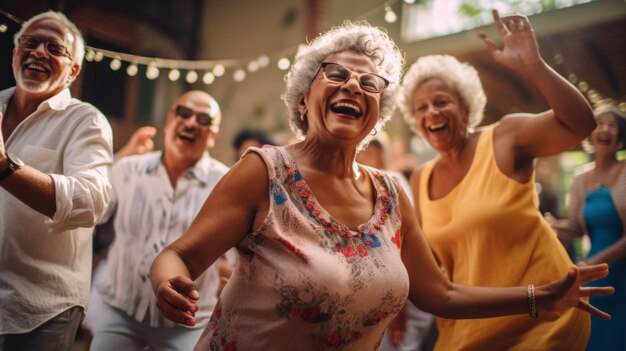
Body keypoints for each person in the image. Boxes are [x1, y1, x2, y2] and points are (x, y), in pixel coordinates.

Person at [150, 20, 612, 351]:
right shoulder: (265, 173)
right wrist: (169, 281)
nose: (353, 85)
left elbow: (441, 295)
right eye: (336, 74)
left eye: (369, 82)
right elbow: (180, 255)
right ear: (304, 97)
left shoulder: (391, 194)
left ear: (377, 113)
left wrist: (540, 296)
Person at [398, 10, 599, 350]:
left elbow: (580, 125)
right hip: (470, 324)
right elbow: (429, 264)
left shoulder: (505, 137)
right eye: (421, 108)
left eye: (441, 102)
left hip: (546, 314)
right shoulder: (421, 177)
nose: (430, 112)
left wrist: (533, 66)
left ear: (465, 107)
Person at [0, 11, 113, 351]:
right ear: (15, 53)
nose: (38, 52)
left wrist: (6, 167)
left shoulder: (85, 121)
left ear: (73, 71)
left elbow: (92, 201)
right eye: (30, 43)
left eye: (54, 47)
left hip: (41, 308)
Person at [89, 91, 233, 351]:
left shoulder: (225, 183)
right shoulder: (128, 168)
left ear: (213, 135)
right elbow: (92, 211)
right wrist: (118, 158)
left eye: (203, 119)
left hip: (188, 323)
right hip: (122, 310)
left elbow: (234, 256)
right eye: (184, 113)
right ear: (169, 120)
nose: (191, 123)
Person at [546, 106, 626, 350]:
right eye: (600, 124)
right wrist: (552, 226)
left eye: (611, 125)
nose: (604, 129)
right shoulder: (580, 178)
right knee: (594, 337)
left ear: (621, 140)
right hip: (594, 274)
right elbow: (575, 228)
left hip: (619, 272)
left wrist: (593, 263)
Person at [357, 136, 437, 351]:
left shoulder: (389, 181)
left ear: (376, 153)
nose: (358, 156)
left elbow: (399, 240)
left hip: (400, 296)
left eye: (362, 151)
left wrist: (398, 308)